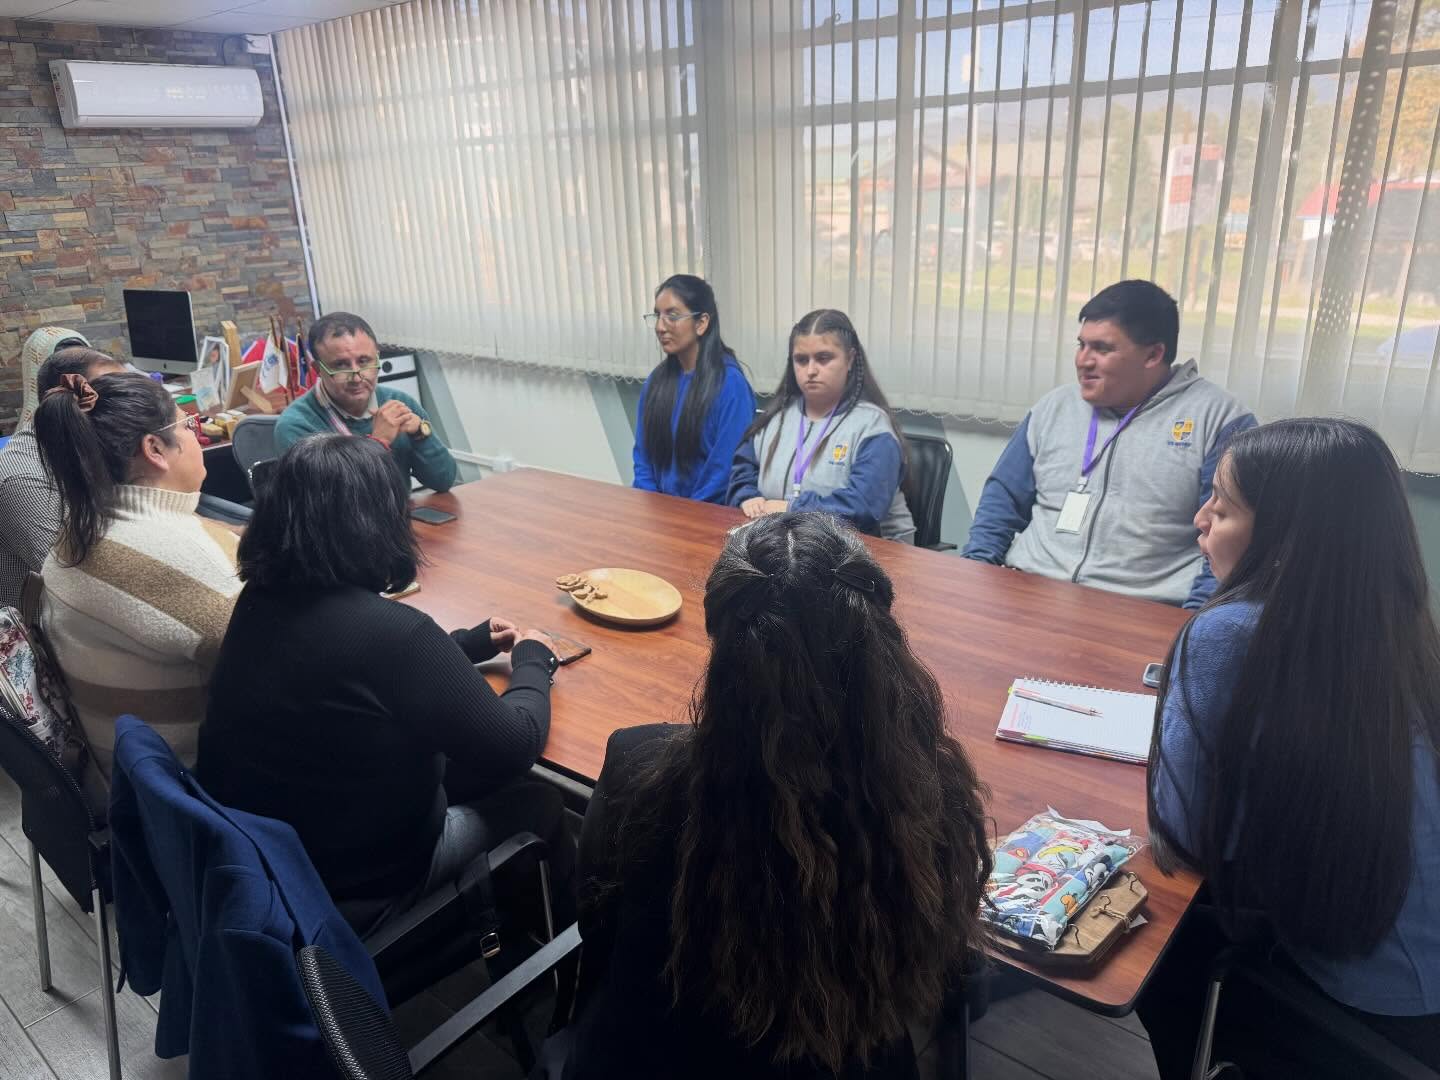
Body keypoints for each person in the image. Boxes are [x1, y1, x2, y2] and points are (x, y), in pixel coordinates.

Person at [561, 512, 991, 1078]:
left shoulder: (638, 769)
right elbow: (946, 965)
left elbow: (596, 926)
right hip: (845, 1056)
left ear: (724, 646)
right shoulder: (933, 795)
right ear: (878, 638)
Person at [1138, 418, 1440, 1077]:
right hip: (1421, 994)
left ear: (1288, 536)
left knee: (1160, 942)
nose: (1200, 519)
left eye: (1221, 505)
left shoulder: (1228, 634)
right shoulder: (1405, 634)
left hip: (1362, 1023)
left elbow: (1184, 835)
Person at [197, 434, 571, 936]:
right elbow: (515, 744)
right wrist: (534, 659)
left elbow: (358, 675)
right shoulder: (395, 634)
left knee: (461, 758)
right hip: (362, 890)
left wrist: (468, 643)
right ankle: (551, 962)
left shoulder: (259, 600)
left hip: (275, 861)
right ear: (378, 524)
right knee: (540, 799)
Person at [962, 280, 1255, 608]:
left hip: (1141, 607)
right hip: (1030, 588)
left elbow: (1227, 536)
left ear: (1153, 354)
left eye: (1102, 349)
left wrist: (1191, 624)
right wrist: (977, 570)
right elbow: (1003, 498)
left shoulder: (1219, 418)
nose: (1083, 361)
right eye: (1081, 345)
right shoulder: (1054, 407)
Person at [34, 371, 240, 783]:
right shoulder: (181, 554)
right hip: (194, 794)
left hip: (124, 777)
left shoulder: (77, 532)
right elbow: (281, 663)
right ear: (155, 449)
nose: (198, 440)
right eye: (188, 426)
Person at [727, 310, 916, 543]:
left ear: (850, 359)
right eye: (801, 360)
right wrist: (747, 496)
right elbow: (743, 468)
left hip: (863, 552)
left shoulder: (873, 427)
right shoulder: (776, 418)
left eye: (824, 358)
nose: (811, 370)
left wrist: (793, 508)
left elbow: (863, 506)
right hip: (784, 545)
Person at [0, 345, 125, 610]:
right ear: (75, 398)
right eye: (113, 394)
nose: (126, 404)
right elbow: (78, 582)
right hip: (43, 631)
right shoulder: (24, 478)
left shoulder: (87, 446)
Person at [275, 312, 458, 492]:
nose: (357, 377)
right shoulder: (297, 424)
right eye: (340, 365)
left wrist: (421, 435)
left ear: (377, 358)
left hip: (401, 516)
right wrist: (379, 442)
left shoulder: (399, 402)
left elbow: (443, 480)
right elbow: (332, 504)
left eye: (364, 361)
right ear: (318, 369)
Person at [632, 275, 755, 503]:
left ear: (701, 323)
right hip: (658, 512)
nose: (660, 326)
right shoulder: (656, 382)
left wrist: (686, 517)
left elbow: (724, 472)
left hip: (707, 516)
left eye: (673, 315)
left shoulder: (730, 385)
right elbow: (643, 457)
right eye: (658, 315)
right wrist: (651, 506)